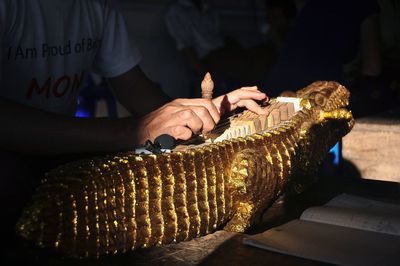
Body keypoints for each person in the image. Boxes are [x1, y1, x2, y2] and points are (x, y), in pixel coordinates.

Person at [0, 0, 269, 256]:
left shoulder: (96, 7)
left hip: (57, 162)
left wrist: (199, 114)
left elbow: (132, 86)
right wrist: (136, 130)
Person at [263, 0, 382, 114]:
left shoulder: (311, 6)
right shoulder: (363, 4)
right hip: (312, 99)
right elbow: (372, 68)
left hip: (277, 92)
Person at [165, 0, 274, 96]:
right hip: (207, 58)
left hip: (223, 51)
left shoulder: (207, 7)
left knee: (264, 53)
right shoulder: (176, 11)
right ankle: (252, 97)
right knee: (243, 63)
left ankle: (261, 94)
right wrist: (203, 73)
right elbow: (185, 47)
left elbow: (219, 36)